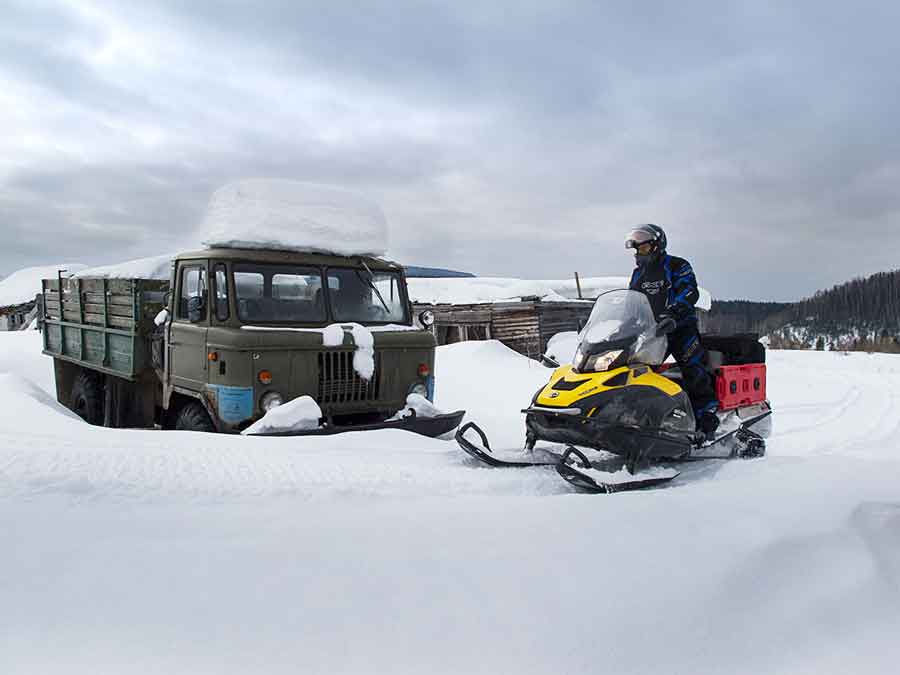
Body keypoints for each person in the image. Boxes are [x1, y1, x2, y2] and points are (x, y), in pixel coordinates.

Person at [625, 224, 719, 437]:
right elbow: (631, 301)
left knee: (692, 366)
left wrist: (673, 313)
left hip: (679, 327)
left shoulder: (677, 265)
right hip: (649, 332)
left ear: (657, 245)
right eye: (637, 249)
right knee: (630, 369)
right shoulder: (638, 274)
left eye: (644, 248)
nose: (639, 253)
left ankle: (706, 416)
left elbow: (689, 291)